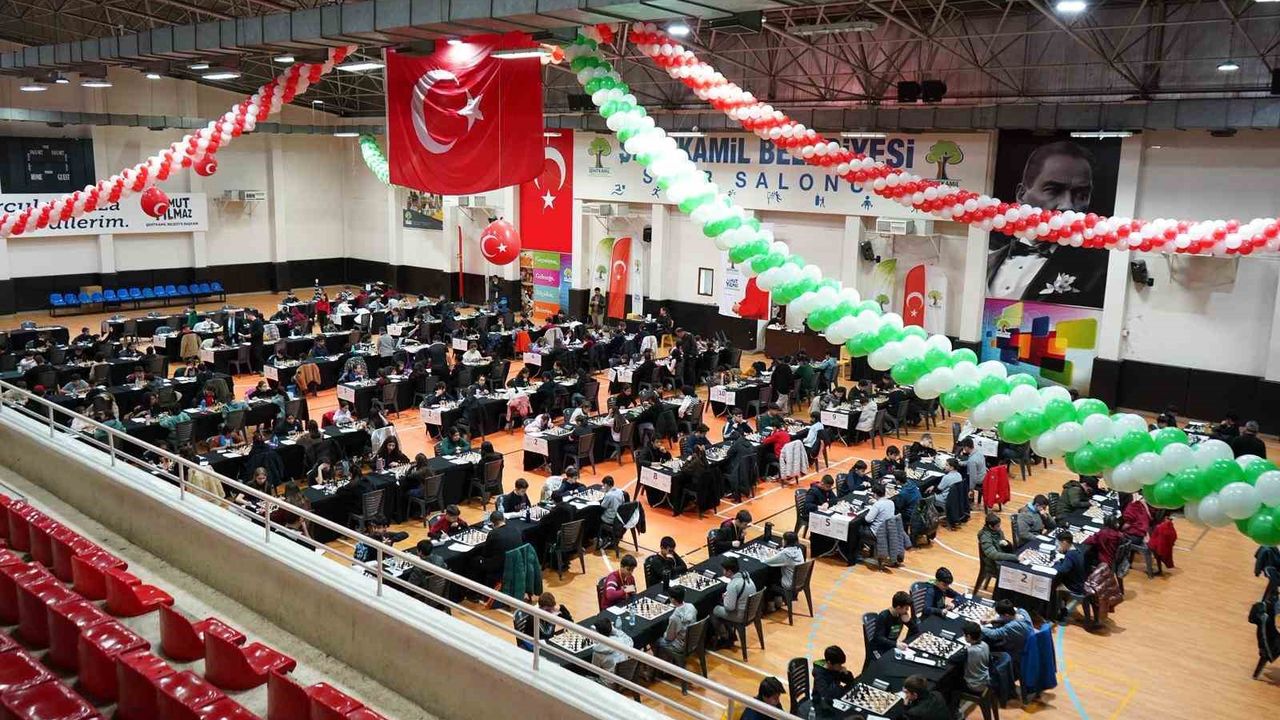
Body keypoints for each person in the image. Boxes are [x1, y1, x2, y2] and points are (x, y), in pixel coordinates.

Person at [986, 140, 1108, 306]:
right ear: (1021, 195)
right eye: (1053, 190)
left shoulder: (1099, 270)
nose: (1067, 205)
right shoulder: (987, 260)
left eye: (1081, 195)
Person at [711, 556, 756, 646]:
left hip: (740, 615)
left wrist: (725, 598)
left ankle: (725, 638)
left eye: (724, 570)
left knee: (714, 610)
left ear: (729, 572)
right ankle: (730, 633)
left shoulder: (733, 585)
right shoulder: (746, 576)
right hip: (751, 611)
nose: (723, 571)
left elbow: (729, 608)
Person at [762, 531, 806, 612]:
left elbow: (767, 561)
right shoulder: (799, 549)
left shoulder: (786, 553)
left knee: (769, 581)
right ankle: (778, 601)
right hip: (799, 581)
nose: (782, 541)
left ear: (786, 541)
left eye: (783, 539)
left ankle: (770, 606)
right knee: (776, 575)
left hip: (789, 584)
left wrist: (769, 554)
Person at [477, 510, 523, 585]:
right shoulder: (515, 528)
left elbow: (485, 554)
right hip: (516, 563)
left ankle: (479, 588)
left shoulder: (493, 534)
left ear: (492, 524)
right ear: (504, 519)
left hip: (499, 568)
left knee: (475, 560)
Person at [654, 585, 698, 660]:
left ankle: (661, 663)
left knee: (656, 640)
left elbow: (669, 638)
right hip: (693, 641)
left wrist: (664, 633)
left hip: (680, 646)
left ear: (673, 599)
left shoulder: (674, 617)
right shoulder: (691, 606)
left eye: (669, 597)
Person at [949, 622, 991, 698]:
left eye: (964, 635)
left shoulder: (969, 651)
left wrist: (965, 649)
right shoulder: (985, 644)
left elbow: (952, 659)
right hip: (985, 678)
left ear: (968, 636)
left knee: (950, 683)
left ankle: (954, 704)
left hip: (974, 685)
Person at [870, 591, 919, 655]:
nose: (907, 610)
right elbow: (879, 638)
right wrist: (896, 644)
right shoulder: (883, 616)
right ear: (898, 608)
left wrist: (909, 621)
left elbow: (916, 630)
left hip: (891, 646)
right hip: (878, 649)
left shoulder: (902, 614)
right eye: (906, 608)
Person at [978, 513, 1020, 584]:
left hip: (1000, 557)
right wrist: (1014, 557)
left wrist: (1007, 544)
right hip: (992, 563)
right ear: (990, 526)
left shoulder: (998, 531)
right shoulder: (985, 536)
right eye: (997, 526)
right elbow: (993, 555)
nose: (999, 528)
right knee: (1015, 570)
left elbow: (1003, 544)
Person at [811, 645, 856, 710]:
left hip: (833, 699)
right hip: (820, 703)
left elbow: (850, 681)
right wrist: (839, 687)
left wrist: (846, 673)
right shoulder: (819, 673)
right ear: (829, 663)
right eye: (839, 664)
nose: (841, 666)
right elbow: (825, 694)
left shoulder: (835, 667)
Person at [598, 475, 626, 547]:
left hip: (610, 519)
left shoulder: (609, 495)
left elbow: (602, 506)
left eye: (603, 485)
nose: (602, 487)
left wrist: (604, 495)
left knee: (597, 516)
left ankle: (601, 537)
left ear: (606, 485)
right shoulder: (620, 491)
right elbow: (623, 502)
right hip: (619, 517)